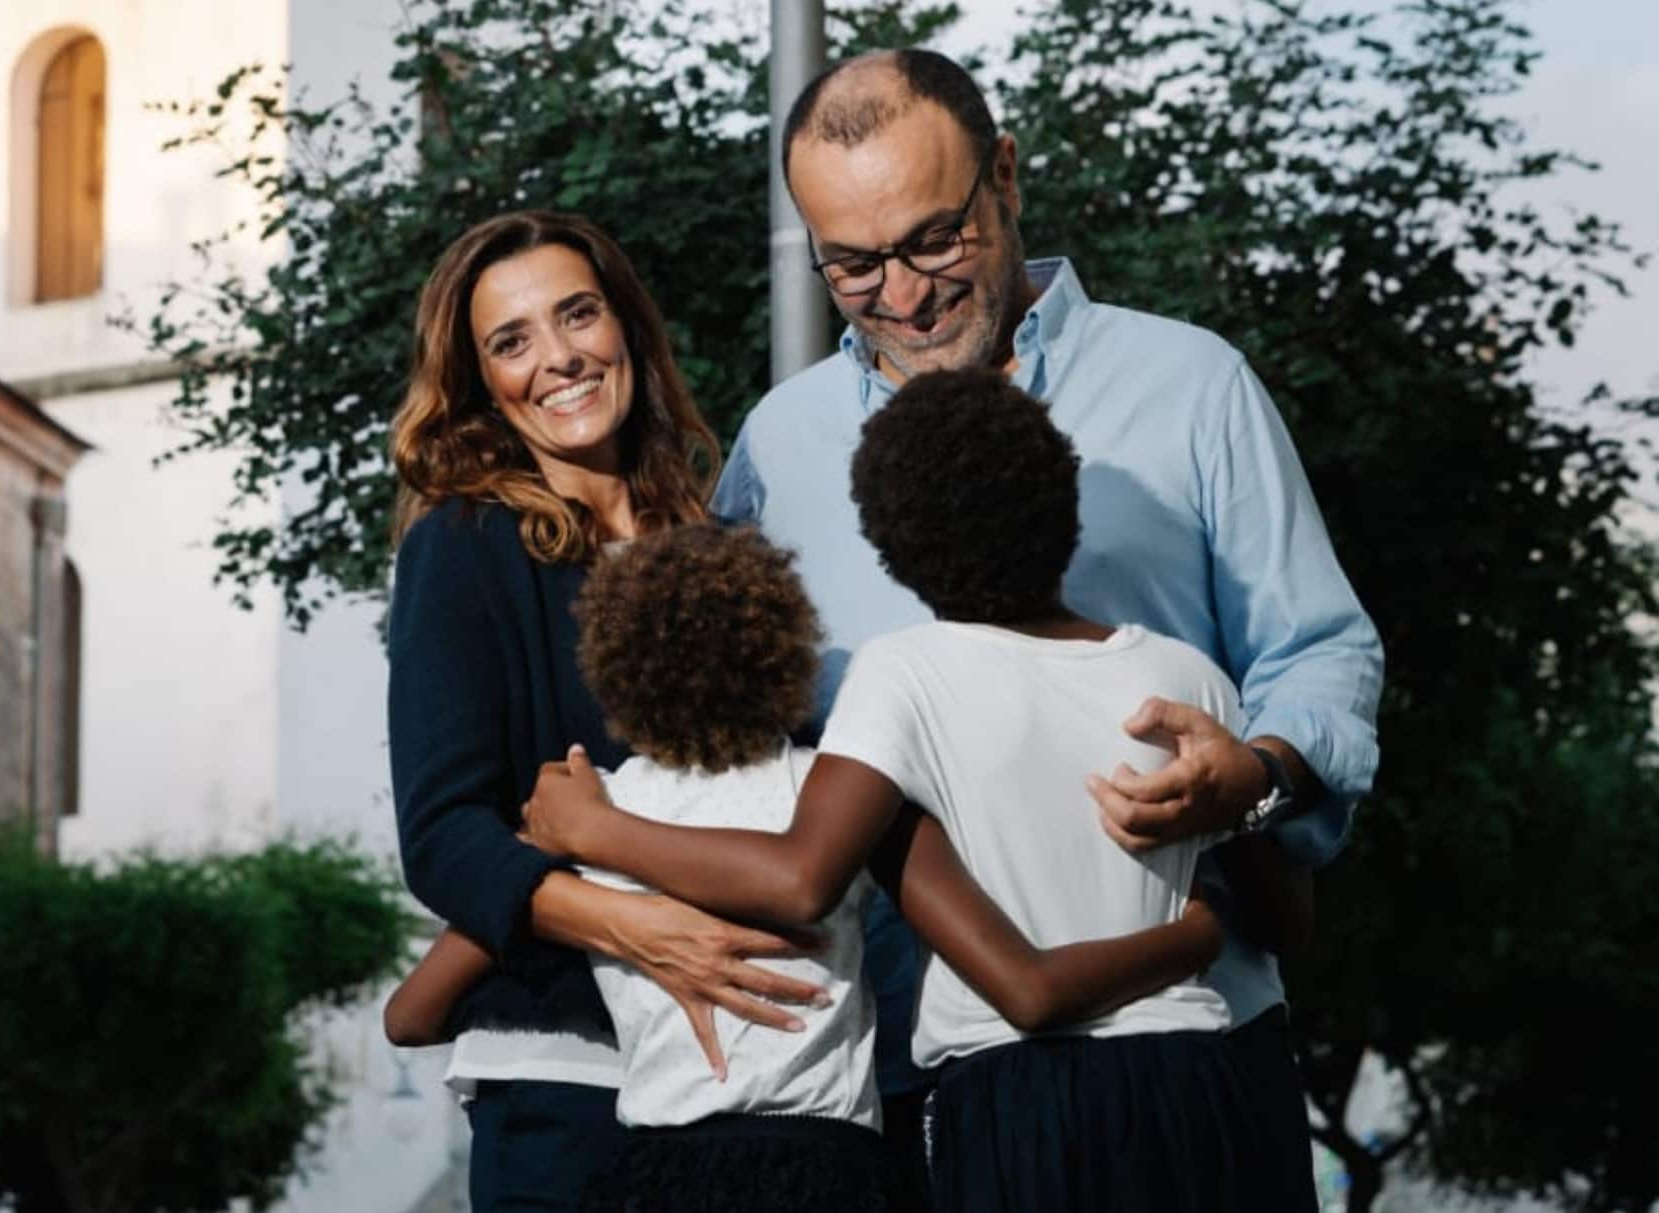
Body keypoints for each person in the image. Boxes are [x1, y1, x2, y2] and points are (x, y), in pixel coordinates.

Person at [701, 47, 1384, 1202]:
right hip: (896, 1071)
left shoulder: (1191, 385)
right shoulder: (777, 441)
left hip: (1197, 1045)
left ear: (1004, 175)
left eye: (933, 239)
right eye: (852, 264)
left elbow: (1319, 650)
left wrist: (1256, 778)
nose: (903, 295)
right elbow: (731, 731)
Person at [524, 370, 1316, 1210]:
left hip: (1012, 1102)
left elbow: (802, 875)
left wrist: (597, 830)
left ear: (891, 546)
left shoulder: (902, 676)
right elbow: (1285, 923)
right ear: (1065, 506)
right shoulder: (1185, 676)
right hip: (1195, 1082)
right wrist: (1201, 921)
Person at [394, 521, 1230, 1213]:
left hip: (657, 1177)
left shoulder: (588, 813)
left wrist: (552, 869)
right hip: (829, 1173)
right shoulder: (841, 803)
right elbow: (1025, 982)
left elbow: (412, 1013)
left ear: (612, 673)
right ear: (785, 654)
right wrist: (1197, 932)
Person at [387, 210, 828, 1212]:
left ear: (625, 323)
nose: (558, 357)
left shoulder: (723, 546)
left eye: (577, 314)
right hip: (567, 1083)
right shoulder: (464, 544)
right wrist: (637, 927)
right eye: (512, 341)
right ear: (480, 382)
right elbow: (444, 837)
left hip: (753, 1081)